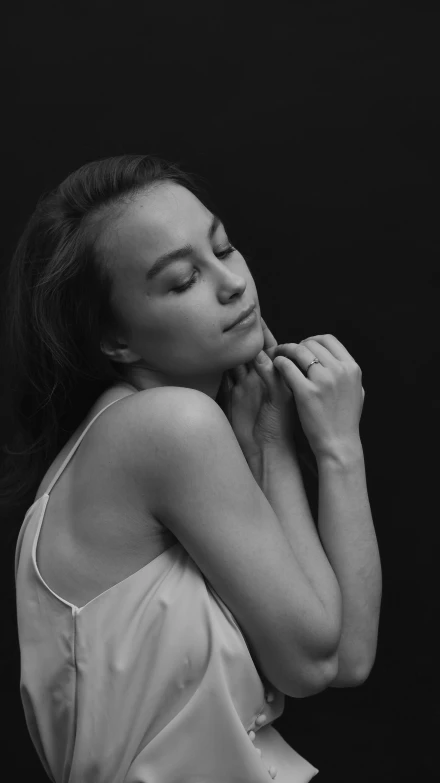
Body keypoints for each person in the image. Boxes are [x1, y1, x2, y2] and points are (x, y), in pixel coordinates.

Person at [4, 154, 382, 782]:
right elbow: (312, 664)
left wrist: (268, 439)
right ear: (116, 340)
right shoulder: (170, 427)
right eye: (182, 281)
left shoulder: (125, 434)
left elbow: (346, 658)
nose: (232, 283)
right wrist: (335, 445)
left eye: (224, 248)